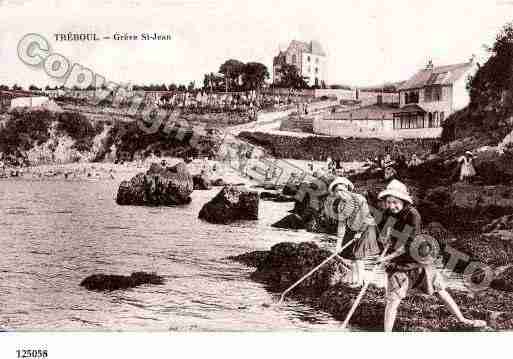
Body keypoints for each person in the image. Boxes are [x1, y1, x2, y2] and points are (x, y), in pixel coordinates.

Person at [376, 180, 486, 331]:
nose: (391, 206)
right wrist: (384, 237)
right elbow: (384, 230)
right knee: (393, 299)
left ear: (403, 201)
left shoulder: (413, 215)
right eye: (388, 202)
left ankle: (462, 319)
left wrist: (385, 258)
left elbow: (407, 244)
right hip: (398, 262)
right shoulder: (389, 212)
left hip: (418, 256)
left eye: (395, 202)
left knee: (439, 289)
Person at [326, 177, 380, 287]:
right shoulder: (341, 205)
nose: (340, 193)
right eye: (337, 191)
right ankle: (355, 280)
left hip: (367, 228)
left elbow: (364, 216)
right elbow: (341, 225)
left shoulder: (359, 199)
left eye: (343, 190)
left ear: (348, 189)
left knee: (358, 255)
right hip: (353, 230)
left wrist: (360, 232)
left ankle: (360, 282)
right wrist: (338, 245)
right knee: (351, 256)